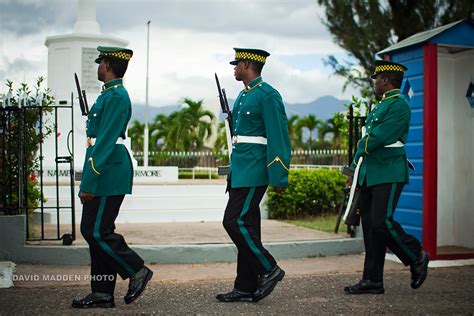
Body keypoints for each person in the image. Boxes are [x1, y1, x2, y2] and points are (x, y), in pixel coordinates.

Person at [72, 46, 153, 309]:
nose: (97, 67)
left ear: (106, 65)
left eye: (100, 62)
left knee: (95, 230)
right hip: (104, 168)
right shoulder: (109, 95)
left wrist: (89, 181)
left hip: (109, 171)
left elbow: (105, 142)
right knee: (96, 231)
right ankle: (102, 292)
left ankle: (136, 270)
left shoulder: (117, 96)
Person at [344, 60, 429, 295]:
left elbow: (376, 138)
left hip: (389, 171)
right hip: (372, 173)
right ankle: (372, 280)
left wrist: (362, 145)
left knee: (382, 222)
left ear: (386, 80)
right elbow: (367, 142)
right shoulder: (381, 105)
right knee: (371, 228)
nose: (374, 82)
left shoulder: (399, 105)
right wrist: (354, 172)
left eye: (376, 78)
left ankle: (416, 255)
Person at [216, 48, 291, 303]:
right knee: (247, 227)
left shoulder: (268, 95)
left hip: (256, 169)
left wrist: (279, 176)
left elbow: (278, 137)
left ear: (247, 64)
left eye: (237, 64)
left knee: (233, 221)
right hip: (241, 168)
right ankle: (245, 286)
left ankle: (269, 268)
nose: (234, 68)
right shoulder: (242, 96)